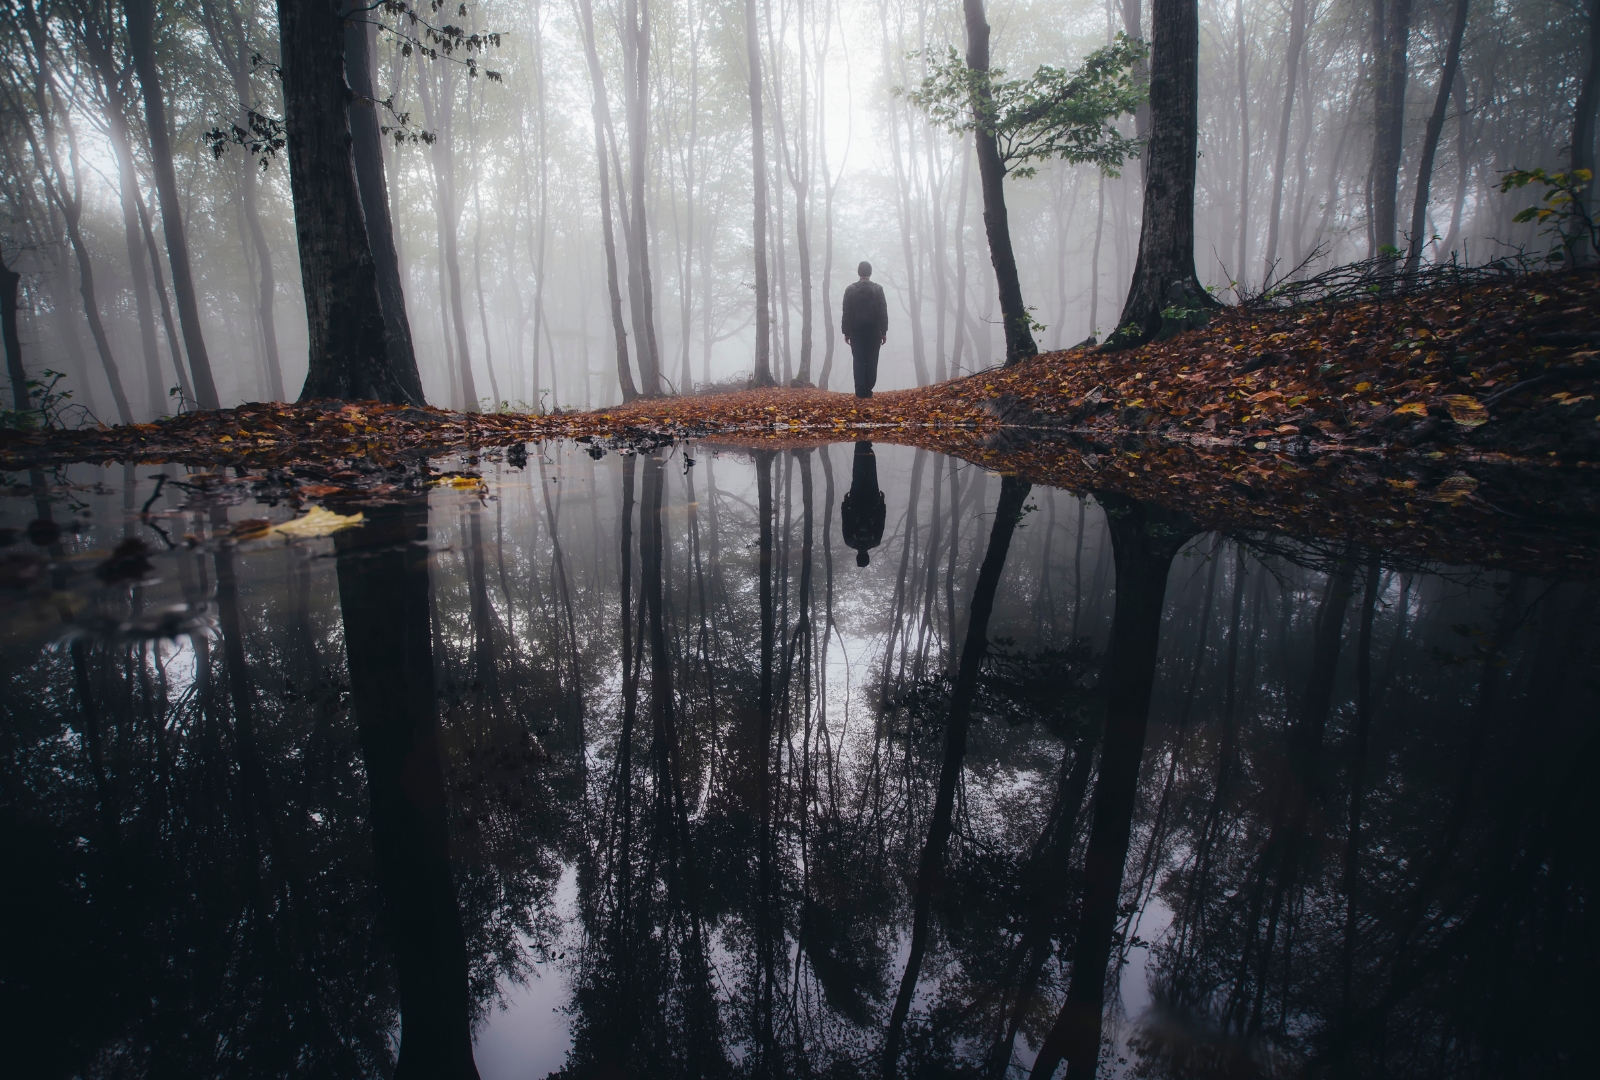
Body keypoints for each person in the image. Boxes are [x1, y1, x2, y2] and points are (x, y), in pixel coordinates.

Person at [840, 261, 888, 399]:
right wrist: (883, 331)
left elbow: (846, 312)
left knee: (858, 360)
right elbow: (883, 311)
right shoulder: (878, 289)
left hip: (856, 331)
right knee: (872, 360)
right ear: (870, 272)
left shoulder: (850, 289)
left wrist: (846, 332)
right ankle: (868, 389)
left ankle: (860, 391)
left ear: (858, 272)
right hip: (874, 331)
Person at [840, 441, 886, 567]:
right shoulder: (849, 541)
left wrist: (882, 503)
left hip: (872, 501)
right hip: (856, 501)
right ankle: (860, 445)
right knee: (858, 474)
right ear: (857, 557)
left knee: (871, 474)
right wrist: (845, 504)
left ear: (867, 556)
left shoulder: (875, 541)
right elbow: (845, 521)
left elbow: (881, 521)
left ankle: (868, 448)